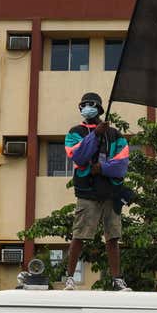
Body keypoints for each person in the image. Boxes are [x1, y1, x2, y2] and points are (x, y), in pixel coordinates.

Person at [62, 91, 131, 291]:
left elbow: (122, 164)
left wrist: (103, 168)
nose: (86, 108)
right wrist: (95, 135)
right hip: (87, 192)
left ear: (99, 108)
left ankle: (117, 279)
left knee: (113, 237)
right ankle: (69, 277)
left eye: (89, 104)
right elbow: (78, 156)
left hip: (110, 192)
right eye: (82, 105)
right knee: (79, 235)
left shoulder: (115, 134)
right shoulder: (75, 132)